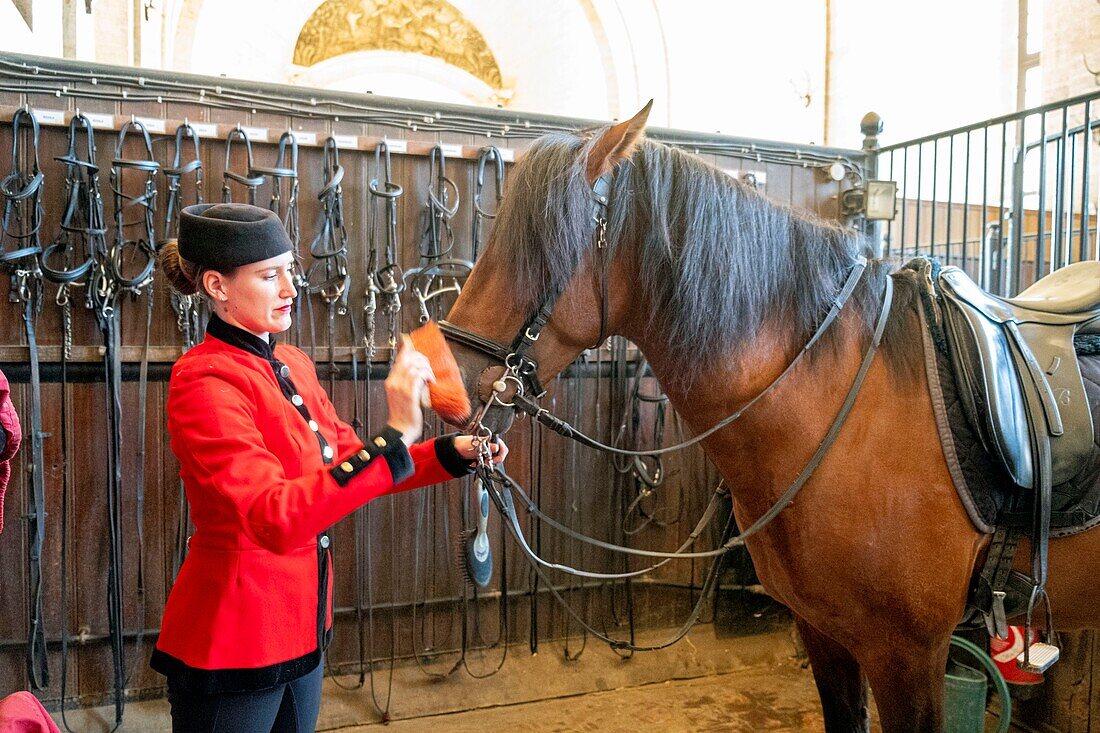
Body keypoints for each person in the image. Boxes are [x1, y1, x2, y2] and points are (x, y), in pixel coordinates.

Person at [150, 203, 505, 733]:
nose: (291, 288)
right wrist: (394, 434)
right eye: (270, 276)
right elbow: (276, 517)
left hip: (304, 626)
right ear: (217, 286)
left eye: (290, 270)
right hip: (235, 637)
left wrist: (452, 452)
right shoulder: (204, 381)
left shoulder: (292, 365)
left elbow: (347, 467)